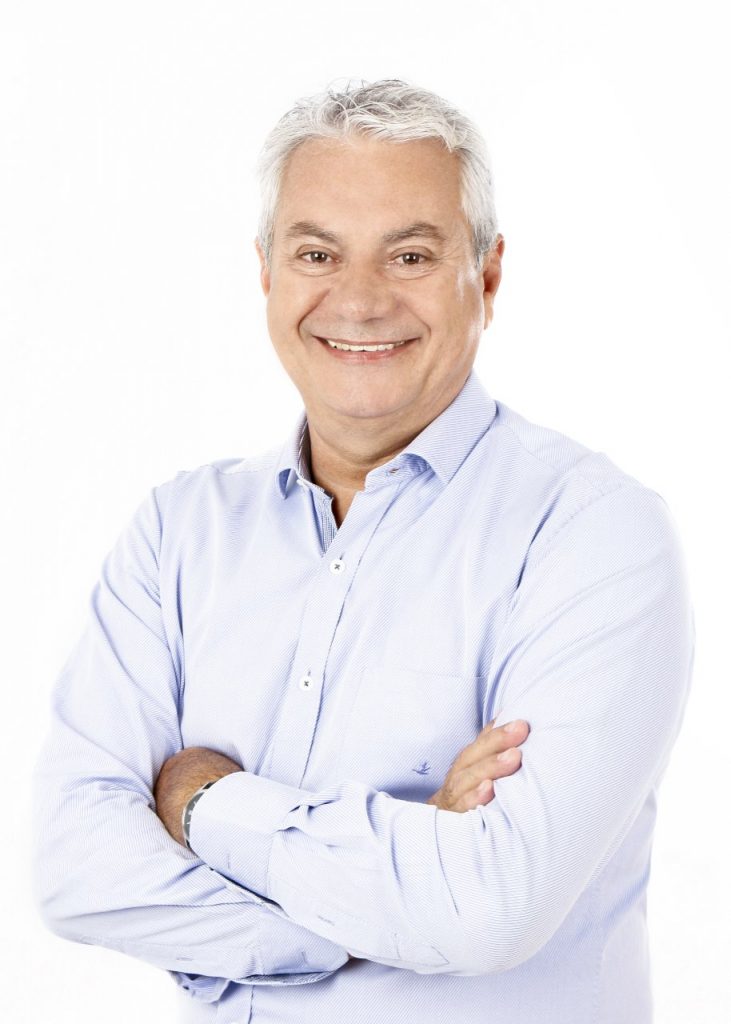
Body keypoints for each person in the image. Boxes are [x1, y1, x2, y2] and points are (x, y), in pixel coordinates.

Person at [32, 79, 695, 1024]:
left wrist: (198, 800)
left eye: (410, 255)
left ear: (487, 276)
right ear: (267, 273)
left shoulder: (592, 532)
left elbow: (487, 911)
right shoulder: (179, 531)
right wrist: (370, 913)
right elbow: (75, 869)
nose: (358, 299)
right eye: (316, 254)